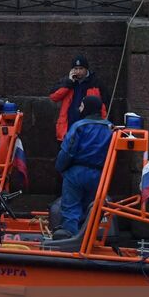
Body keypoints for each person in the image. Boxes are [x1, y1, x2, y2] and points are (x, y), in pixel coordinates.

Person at [51, 94, 114, 239]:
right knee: (91, 209)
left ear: (86, 107)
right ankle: (88, 240)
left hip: (76, 172)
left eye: (81, 105)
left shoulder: (79, 126)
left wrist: (60, 167)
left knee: (71, 208)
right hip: (99, 174)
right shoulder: (110, 128)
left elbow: (68, 151)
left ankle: (71, 239)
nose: (79, 108)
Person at [49, 54, 106, 142]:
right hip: (68, 126)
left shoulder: (96, 83)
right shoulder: (67, 82)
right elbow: (54, 96)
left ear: (86, 69)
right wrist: (69, 83)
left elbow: (104, 106)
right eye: (76, 69)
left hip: (88, 127)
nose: (78, 72)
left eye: (81, 69)